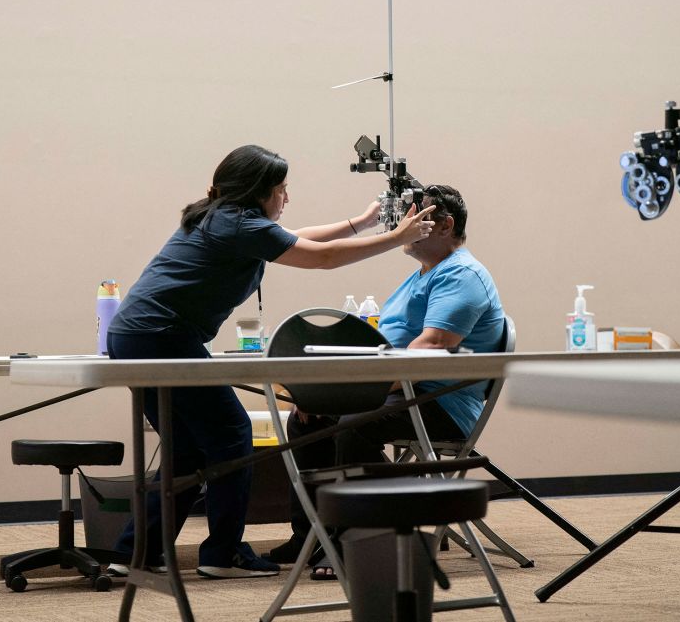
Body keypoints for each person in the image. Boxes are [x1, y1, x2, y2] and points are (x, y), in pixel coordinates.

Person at [105, 144, 436, 580]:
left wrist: (363, 222)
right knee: (230, 434)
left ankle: (137, 551)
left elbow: (302, 239)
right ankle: (222, 555)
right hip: (162, 337)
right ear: (257, 192)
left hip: (137, 334)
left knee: (188, 449)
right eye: (281, 190)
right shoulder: (237, 224)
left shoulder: (221, 216)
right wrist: (397, 238)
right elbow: (322, 258)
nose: (286, 198)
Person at [265, 183, 504, 579]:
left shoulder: (462, 275)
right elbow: (384, 347)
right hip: (402, 394)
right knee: (306, 420)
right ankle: (311, 534)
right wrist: (324, 394)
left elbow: (428, 351)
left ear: (444, 225)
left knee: (352, 425)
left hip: (439, 402)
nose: (404, 224)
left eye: (415, 215)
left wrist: (346, 396)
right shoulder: (423, 275)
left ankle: (353, 541)